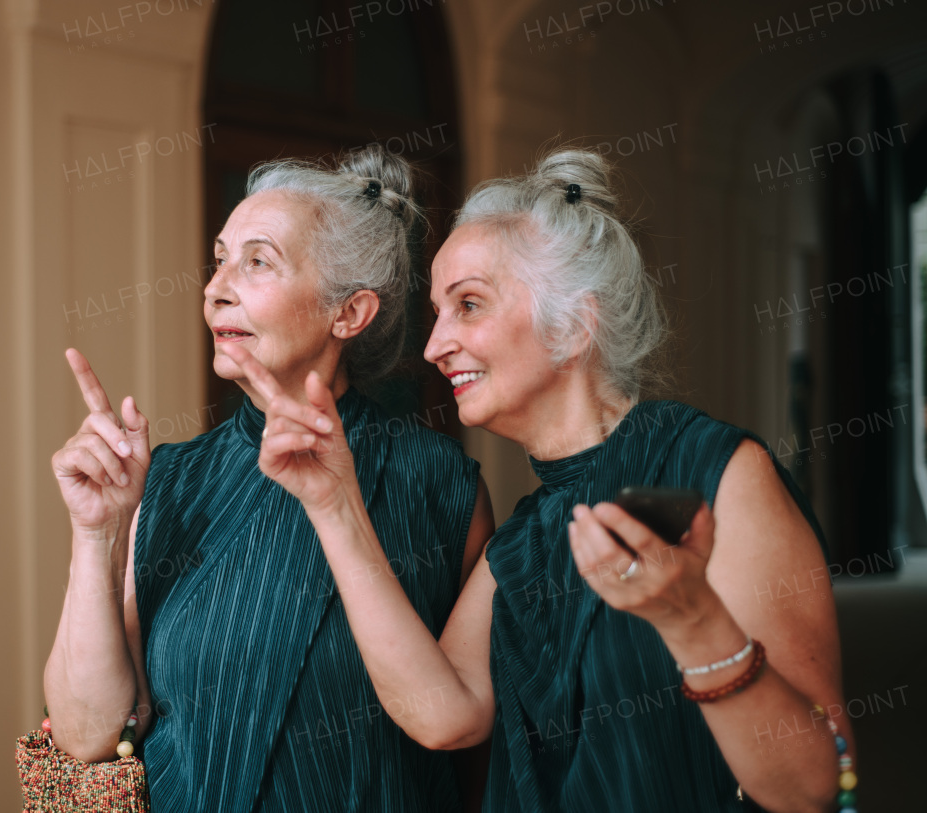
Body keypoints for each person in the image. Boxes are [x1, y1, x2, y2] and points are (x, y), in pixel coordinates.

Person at [228, 147, 854, 812]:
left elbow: (816, 784)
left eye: (468, 305)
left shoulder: (716, 471)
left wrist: (695, 621)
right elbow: (442, 715)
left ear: (574, 324)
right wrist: (334, 506)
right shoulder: (526, 535)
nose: (435, 345)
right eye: (438, 312)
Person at [43, 144, 494, 812]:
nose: (216, 285)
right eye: (221, 257)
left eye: (258, 261)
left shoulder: (442, 485)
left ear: (349, 313)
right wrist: (96, 531)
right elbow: (88, 736)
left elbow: (469, 750)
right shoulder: (170, 479)